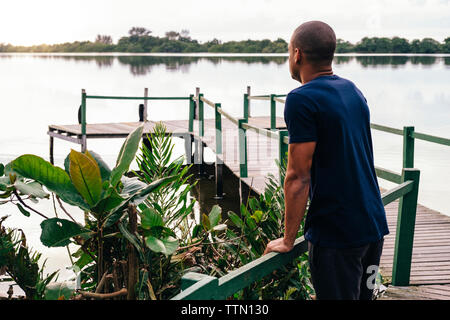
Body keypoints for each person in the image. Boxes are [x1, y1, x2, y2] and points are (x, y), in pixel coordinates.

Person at [263, 21, 389, 300]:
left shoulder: (301, 99)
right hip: (372, 227)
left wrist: (287, 240)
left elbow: (298, 177)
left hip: (337, 235)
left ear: (297, 54)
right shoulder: (352, 90)